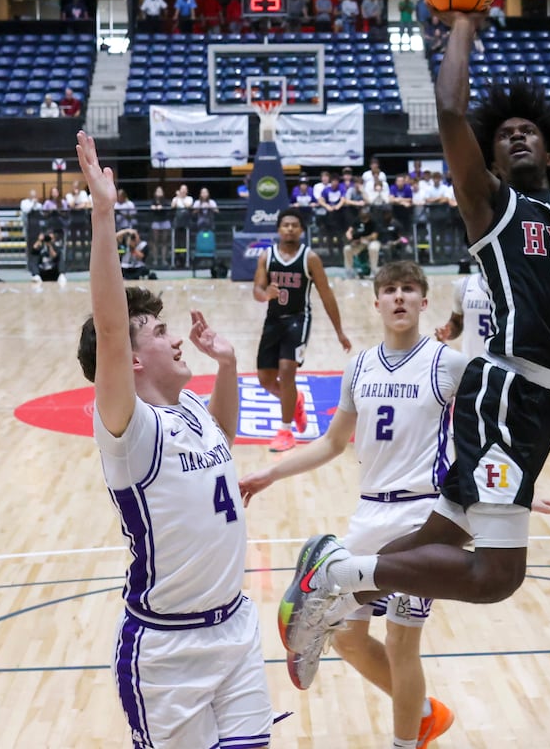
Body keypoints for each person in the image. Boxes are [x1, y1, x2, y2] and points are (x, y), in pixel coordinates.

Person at [279, 0, 550, 669]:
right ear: (490, 157)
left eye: (530, 131)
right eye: (505, 135)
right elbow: (453, 113)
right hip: (507, 395)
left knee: (446, 535)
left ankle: (330, 581)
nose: (518, 137)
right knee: (497, 576)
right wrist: (463, 21)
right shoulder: (492, 206)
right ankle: (335, 579)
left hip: (538, 400)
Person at [72, 131, 271, 749]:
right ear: (131, 360)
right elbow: (109, 326)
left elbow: (224, 433)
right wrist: (104, 211)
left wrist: (231, 366)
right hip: (166, 649)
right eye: (159, 331)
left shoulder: (186, 407)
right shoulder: (130, 432)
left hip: (236, 627)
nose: (176, 336)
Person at [238, 262, 467, 744]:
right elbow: (331, 442)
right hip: (368, 514)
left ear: (424, 303)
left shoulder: (448, 363)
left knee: (403, 642)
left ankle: (406, 740)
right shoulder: (359, 366)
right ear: (377, 302)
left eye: (408, 290)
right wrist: (271, 473)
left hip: (421, 519)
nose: (399, 297)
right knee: (346, 637)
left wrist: (510, 494)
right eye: (390, 290)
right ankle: (423, 712)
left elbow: (484, 438)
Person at [253, 207, 353, 453]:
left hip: (299, 319)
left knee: (287, 372)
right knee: (266, 379)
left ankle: (286, 431)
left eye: (294, 225)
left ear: (302, 230)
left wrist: (339, 331)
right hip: (273, 319)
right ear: (278, 229)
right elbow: (256, 289)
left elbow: (326, 295)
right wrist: (266, 294)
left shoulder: (310, 258)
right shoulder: (267, 256)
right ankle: (295, 399)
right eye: (285, 224)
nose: (289, 228)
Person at [435, 261, 494, 360]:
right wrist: (449, 331)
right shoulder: (464, 284)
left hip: (502, 367)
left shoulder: (511, 287)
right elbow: (456, 322)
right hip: (471, 363)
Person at [343, 208, 383, 278]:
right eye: (362, 217)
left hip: (372, 241)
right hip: (360, 243)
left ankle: (373, 271)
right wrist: (348, 234)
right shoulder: (357, 220)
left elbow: (374, 236)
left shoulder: (374, 221)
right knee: (347, 249)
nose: (363, 218)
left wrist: (362, 239)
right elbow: (350, 230)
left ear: (369, 216)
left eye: (365, 217)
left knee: (373, 248)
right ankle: (349, 271)